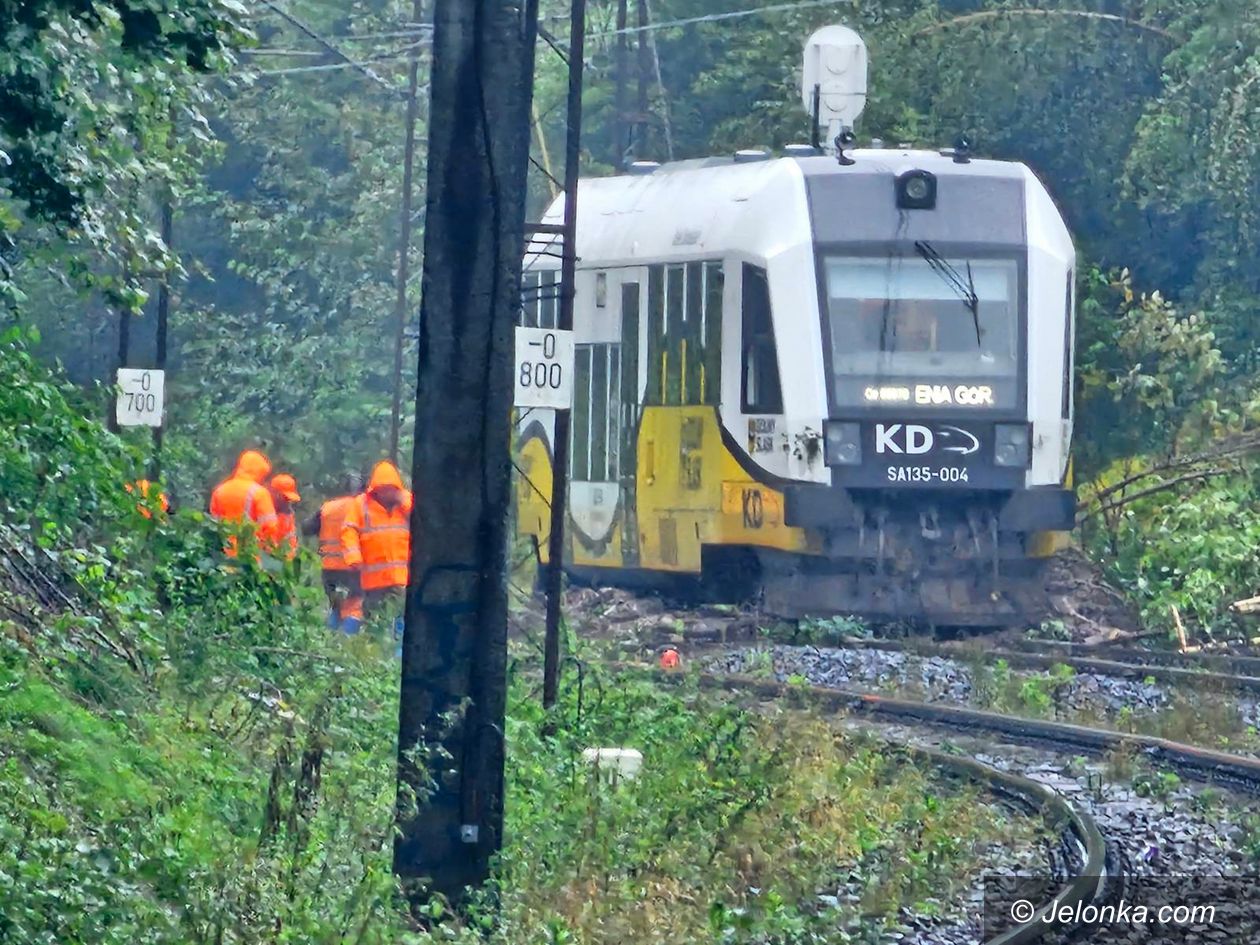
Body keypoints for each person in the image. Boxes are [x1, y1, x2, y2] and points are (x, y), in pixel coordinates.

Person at [341, 461, 412, 636]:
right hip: (373, 578)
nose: (388, 492)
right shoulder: (361, 504)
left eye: (391, 488)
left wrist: (405, 504)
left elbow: (424, 522)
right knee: (374, 616)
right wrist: (353, 557)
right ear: (375, 488)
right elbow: (348, 530)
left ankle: (398, 650)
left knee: (401, 615)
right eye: (384, 488)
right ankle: (374, 647)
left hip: (402, 577)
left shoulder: (407, 502)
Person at [303, 472, 366, 633]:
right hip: (352, 567)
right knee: (354, 607)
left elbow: (307, 528)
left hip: (329, 568)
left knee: (336, 606)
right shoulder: (362, 507)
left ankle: (329, 640)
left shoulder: (327, 507)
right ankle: (345, 643)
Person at [208, 449, 280, 556]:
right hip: (249, 558)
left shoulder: (219, 491)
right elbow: (270, 528)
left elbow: (213, 524)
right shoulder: (260, 493)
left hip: (223, 555)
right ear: (259, 473)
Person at [268, 473, 301, 558]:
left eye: (289, 499)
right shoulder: (261, 508)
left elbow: (291, 541)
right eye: (284, 497)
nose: (287, 502)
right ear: (274, 493)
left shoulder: (288, 515)